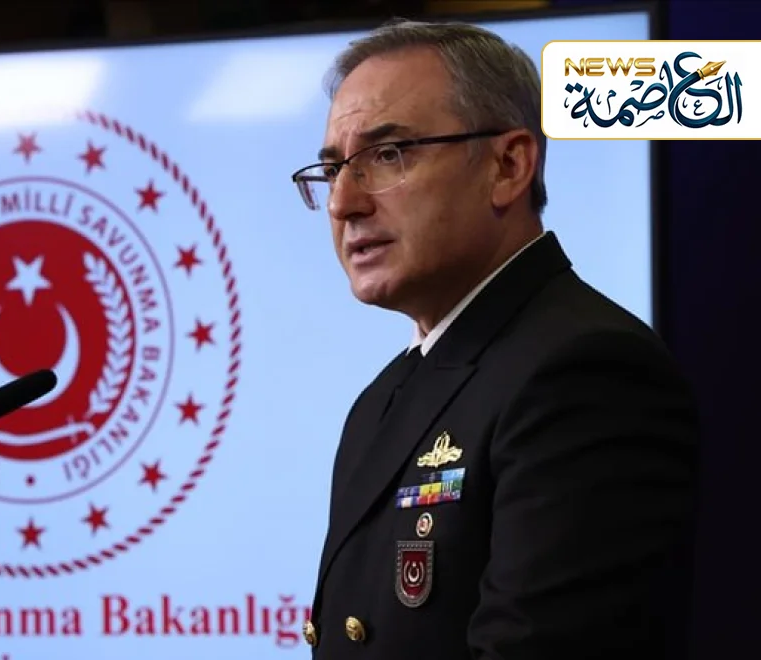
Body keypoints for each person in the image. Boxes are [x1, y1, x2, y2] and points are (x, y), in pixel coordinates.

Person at [290, 19, 699, 660]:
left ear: (508, 166)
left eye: (388, 155)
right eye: (334, 168)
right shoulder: (385, 398)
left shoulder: (584, 372)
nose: (343, 203)